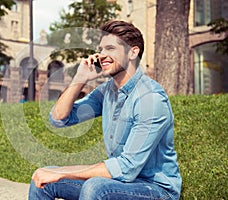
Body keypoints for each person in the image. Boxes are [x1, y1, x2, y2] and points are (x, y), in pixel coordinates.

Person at [29, 20, 182, 200]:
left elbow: (127, 168)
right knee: (43, 179)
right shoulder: (107, 91)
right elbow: (59, 118)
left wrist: (62, 172)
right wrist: (80, 78)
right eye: (101, 49)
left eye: (110, 48)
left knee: (96, 187)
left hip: (156, 190)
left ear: (133, 52)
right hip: (121, 182)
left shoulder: (150, 99)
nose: (102, 55)